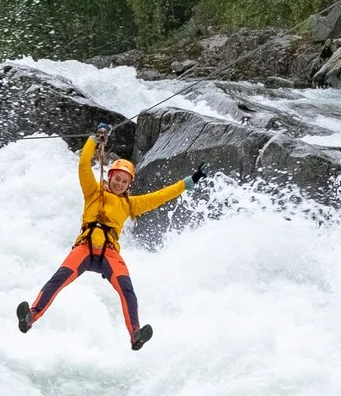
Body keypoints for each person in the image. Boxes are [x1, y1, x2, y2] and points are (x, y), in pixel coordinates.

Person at [16, 124, 204, 351]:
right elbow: (83, 164)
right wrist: (94, 140)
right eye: (117, 178)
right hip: (85, 247)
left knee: (127, 290)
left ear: (128, 185)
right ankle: (30, 317)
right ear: (110, 176)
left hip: (110, 254)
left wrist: (189, 181)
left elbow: (160, 196)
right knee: (58, 280)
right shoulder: (93, 192)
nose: (119, 183)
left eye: (125, 181)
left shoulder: (130, 204)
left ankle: (135, 334)